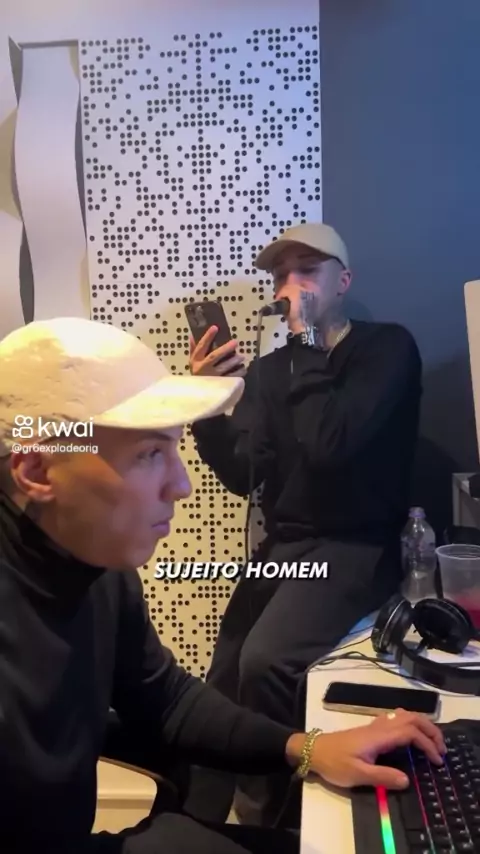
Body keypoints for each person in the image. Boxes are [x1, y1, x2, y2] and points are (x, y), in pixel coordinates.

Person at [0, 316, 442, 854]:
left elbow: (165, 700)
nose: (181, 485)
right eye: (149, 454)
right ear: (37, 471)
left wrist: (308, 749)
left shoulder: (98, 570)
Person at [186, 223, 423, 825]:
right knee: (223, 673)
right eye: (280, 275)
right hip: (286, 546)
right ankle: (197, 819)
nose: (291, 285)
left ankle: (267, 819)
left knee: (265, 661)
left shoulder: (387, 350)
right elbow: (243, 473)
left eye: (307, 270)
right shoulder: (271, 372)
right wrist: (208, 405)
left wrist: (307, 342)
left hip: (356, 545)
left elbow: (331, 445)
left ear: (343, 281)